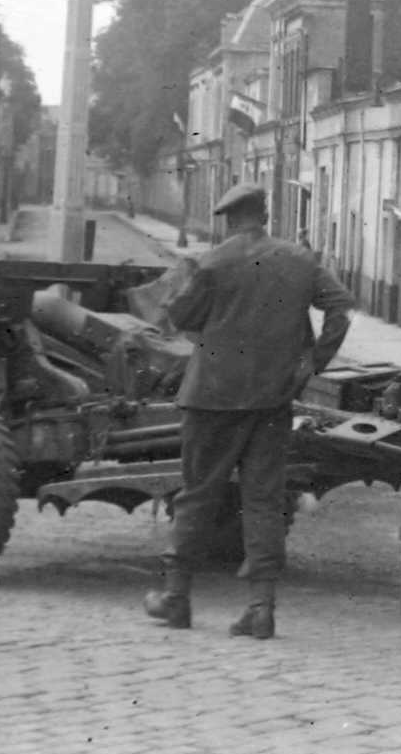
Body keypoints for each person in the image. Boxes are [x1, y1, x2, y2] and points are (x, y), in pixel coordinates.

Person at [143, 182, 352, 640]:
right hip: (273, 397)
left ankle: (176, 597)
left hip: (212, 396)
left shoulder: (214, 261)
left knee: (198, 493)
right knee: (263, 499)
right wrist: (313, 362)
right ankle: (261, 608)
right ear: (265, 213)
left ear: (229, 218)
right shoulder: (300, 260)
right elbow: (341, 307)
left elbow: (179, 317)